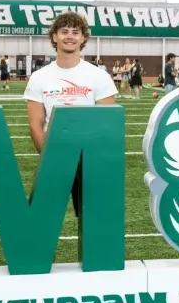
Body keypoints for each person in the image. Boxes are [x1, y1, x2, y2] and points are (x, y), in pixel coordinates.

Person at [24, 12, 118, 217]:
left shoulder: (98, 76)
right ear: (54, 36)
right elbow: (35, 123)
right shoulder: (40, 77)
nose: (70, 36)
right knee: (41, 217)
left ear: (83, 38)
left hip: (89, 158)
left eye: (76, 32)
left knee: (93, 217)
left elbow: (108, 124)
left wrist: (96, 159)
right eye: (64, 31)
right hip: (54, 153)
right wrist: (50, 157)